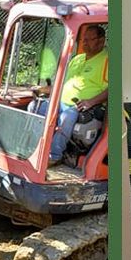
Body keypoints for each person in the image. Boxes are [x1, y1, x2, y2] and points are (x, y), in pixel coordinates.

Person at [33, 26, 108, 166]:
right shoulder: (77, 59)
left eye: (88, 40)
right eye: (83, 39)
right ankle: (34, 148)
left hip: (82, 107)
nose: (84, 43)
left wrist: (91, 102)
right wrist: (45, 89)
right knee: (35, 106)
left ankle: (54, 155)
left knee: (67, 117)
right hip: (59, 101)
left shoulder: (108, 60)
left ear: (101, 41)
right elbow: (63, 81)